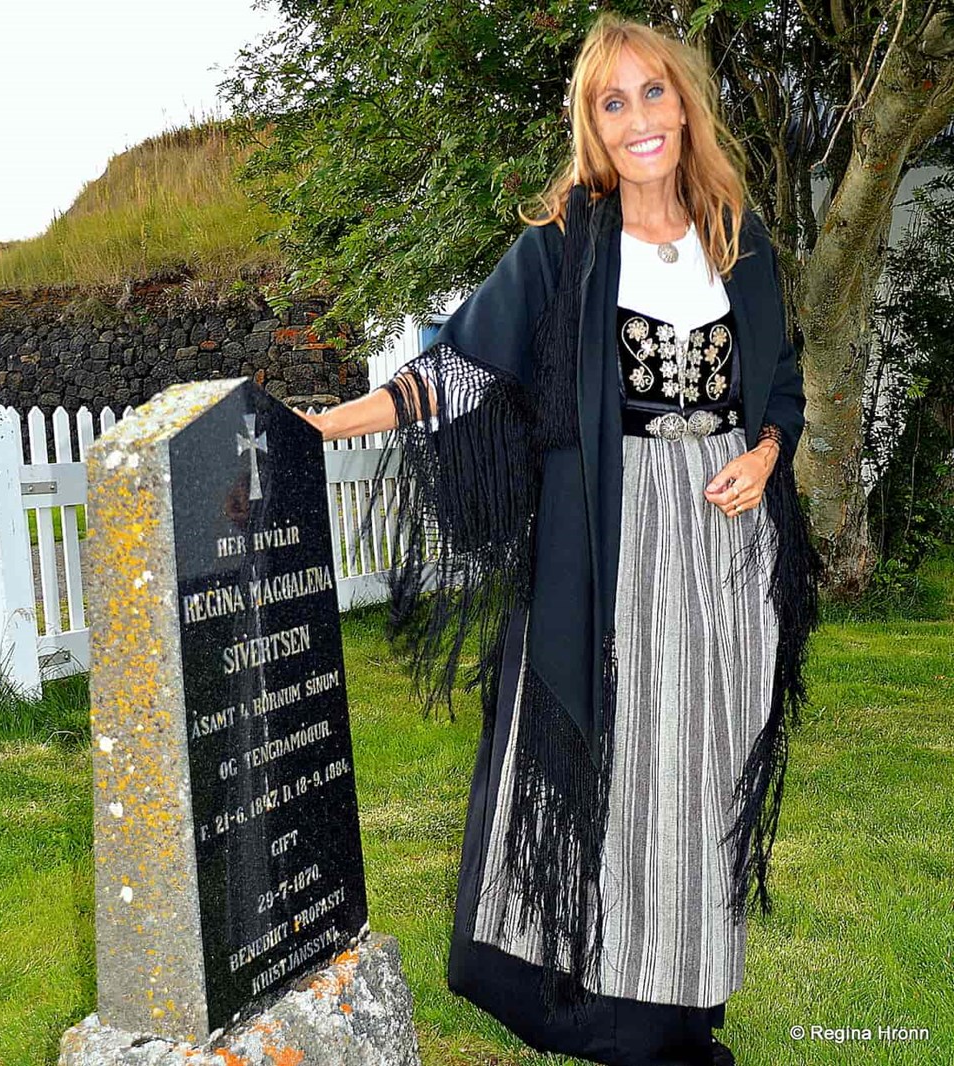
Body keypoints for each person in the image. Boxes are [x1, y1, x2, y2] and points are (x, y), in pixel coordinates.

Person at [294, 14, 822, 1066]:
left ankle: (683, 1005)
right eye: (610, 102)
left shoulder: (739, 239)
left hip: (726, 556)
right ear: (591, 124)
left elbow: (780, 386)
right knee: (618, 778)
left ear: (684, 105)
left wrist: (763, 454)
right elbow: (453, 373)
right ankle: (611, 1008)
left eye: (652, 94)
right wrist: (315, 428)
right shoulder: (558, 256)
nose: (637, 119)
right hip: (614, 552)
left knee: (699, 772)